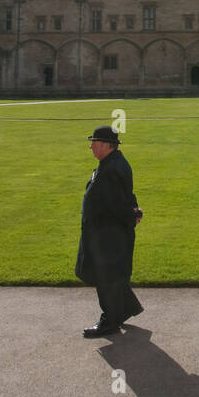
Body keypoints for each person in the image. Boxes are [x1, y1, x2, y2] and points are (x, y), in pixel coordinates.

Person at [75, 125, 143, 338]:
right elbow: (126, 197)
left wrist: (132, 214)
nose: (90, 146)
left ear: (105, 145)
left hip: (107, 236)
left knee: (106, 277)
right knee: (112, 275)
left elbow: (117, 204)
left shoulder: (111, 169)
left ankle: (110, 321)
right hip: (105, 233)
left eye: (94, 142)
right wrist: (134, 211)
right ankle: (125, 308)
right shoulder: (111, 164)